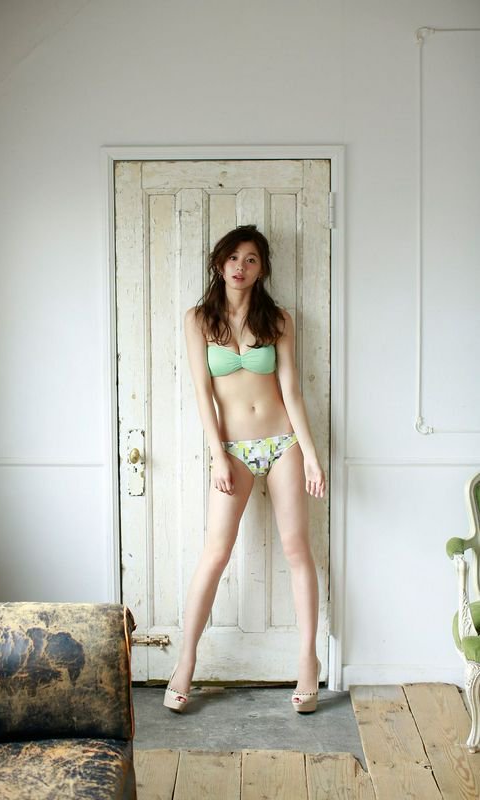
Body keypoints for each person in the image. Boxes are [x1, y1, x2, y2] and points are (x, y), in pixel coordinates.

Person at [163, 224, 326, 714]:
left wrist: (310, 454)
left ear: (261, 269)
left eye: (251, 259)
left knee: (297, 549)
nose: (240, 266)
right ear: (220, 264)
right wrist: (217, 455)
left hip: (282, 443)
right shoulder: (198, 320)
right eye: (233, 257)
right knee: (215, 553)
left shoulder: (278, 319)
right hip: (232, 448)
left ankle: (308, 660)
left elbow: (291, 390)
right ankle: (185, 662)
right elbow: (203, 394)